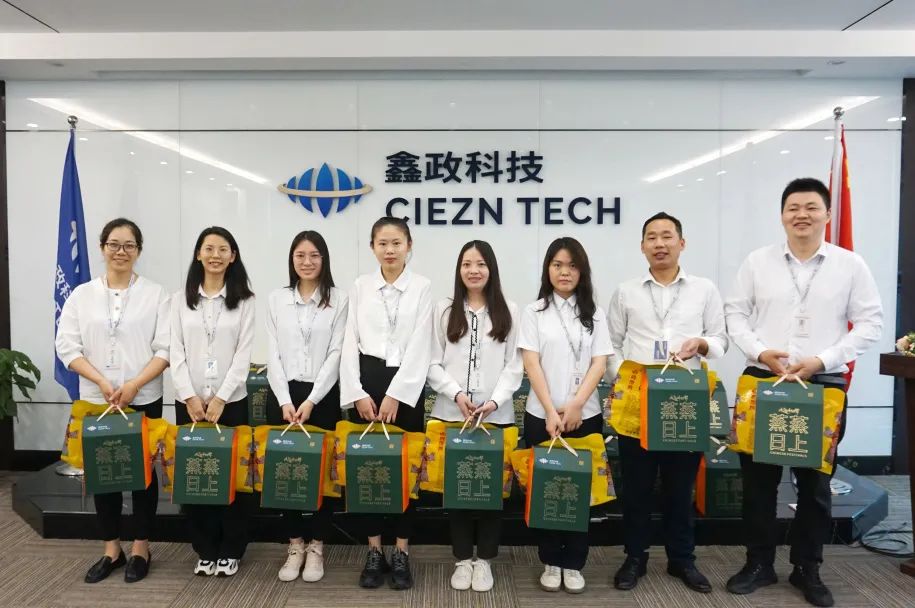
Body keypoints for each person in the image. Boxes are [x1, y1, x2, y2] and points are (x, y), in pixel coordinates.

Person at [724, 178, 883, 607]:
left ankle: (807, 568)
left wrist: (824, 358)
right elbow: (734, 314)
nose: (802, 215)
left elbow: (871, 322)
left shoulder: (850, 265)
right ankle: (758, 563)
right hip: (765, 380)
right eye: (793, 207)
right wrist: (760, 350)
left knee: (814, 486)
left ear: (827, 214)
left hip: (820, 385)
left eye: (811, 207)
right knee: (758, 484)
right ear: (781, 215)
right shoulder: (757, 262)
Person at [606, 211, 728, 593]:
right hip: (637, 405)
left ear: (682, 243)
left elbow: (721, 340)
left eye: (667, 236)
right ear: (642, 246)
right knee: (637, 489)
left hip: (683, 405)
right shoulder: (626, 291)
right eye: (652, 237)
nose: (660, 244)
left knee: (680, 488)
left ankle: (682, 560)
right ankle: (635, 558)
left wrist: (702, 344)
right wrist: (625, 380)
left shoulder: (704, 289)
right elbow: (610, 344)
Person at [56, 218, 169, 584]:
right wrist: (102, 380)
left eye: (129, 245)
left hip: (142, 396)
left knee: (142, 477)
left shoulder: (156, 294)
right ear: (102, 248)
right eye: (114, 244)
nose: (121, 251)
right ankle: (111, 549)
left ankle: (140, 547)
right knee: (103, 475)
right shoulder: (81, 295)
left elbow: (165, 348)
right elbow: (66, 346)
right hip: (97, 398)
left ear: (139, 251)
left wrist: (134, 384)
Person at [340, 216, 433, 590]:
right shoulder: (360, 286)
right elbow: (349, 341)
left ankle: (402, 551)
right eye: (383, 243)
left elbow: (422, 343)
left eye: (397, 243)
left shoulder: (422, 287)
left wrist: (397, 393)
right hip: (366, 383)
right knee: (368, 471)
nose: (390, 250)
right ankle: (374, 550)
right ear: (372, 247)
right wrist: (357, 393)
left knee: (405, 472)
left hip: (405, 388)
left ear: (409, 245)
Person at [427, 240, 522, 592]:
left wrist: (494, 401)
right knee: (458, 492)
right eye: (467, 264)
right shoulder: (444, 310)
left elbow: (515, 365)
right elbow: (431, 362)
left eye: (480, 264)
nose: (473, 270)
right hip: (453, 415)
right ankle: (463, 559)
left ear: (491, 269)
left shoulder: (509, 310)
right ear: (459, 270)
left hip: (496, 417)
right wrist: (456, 394)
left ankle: (485, 561)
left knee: (492, 494)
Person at [518, 236, 611, 594]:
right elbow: (531, 363)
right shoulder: (534, 312)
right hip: (541, 416)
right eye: (557, 264)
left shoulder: (595, 313)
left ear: (582, 270)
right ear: (548, 269)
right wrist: (549, 410)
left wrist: (574, 406)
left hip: (584, 415)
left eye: (572, 265)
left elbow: (599, 363)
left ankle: (573, 562)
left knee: (578, 493)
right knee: (546, 490)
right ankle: (550, 560)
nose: (564, 272)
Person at [170, 226, 255, 578]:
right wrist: (189, 396)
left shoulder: (245, 301)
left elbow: (244, 355)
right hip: (189, 403)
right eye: (209, 248)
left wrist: (221, 397)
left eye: (223, 249)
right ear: (198, 254)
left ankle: (232, 548)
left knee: (232, 477)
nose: (215, 255)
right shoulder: (179, 300)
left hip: (230, 402)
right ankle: (204, 548)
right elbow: (175, 351)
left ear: (233, 256)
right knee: (196, 476)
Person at [265, 230, 348, 583]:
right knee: (286, 474)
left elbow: (337, 352)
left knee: (323, 476)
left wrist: (313, 399)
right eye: (300, 255)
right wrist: (285, 400)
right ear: (291, 260)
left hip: (323, 397)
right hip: (283, 395)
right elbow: (272, 353)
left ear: (324, 259)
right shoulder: (276, 299)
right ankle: (295, 543)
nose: (307, 261)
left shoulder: (339, 300)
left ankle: (317, 545)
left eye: (314, 255)